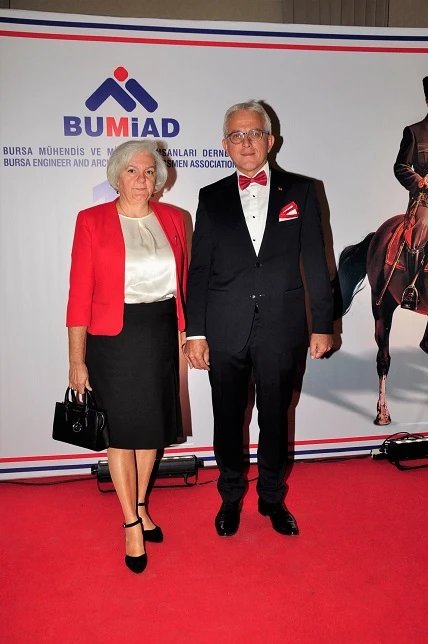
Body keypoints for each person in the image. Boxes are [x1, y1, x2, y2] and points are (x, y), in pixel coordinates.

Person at [184, 100, 333, 538]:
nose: (245, 142)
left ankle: (271, 497)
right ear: (225, 145)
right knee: (228, 418)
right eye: (236, 135)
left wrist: (322, 324)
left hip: (282, 328)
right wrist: (196, 332)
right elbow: (200, 269)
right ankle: (230, 496)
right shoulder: (210, 197)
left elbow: (316, 261)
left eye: (253, 133)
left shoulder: (302, 191)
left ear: (270, 140)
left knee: (275, 417)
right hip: (224, 328)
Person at [66, 140, 188, 573]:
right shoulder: (92, 220)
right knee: (120, 434)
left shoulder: (175, 218)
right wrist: (76, 359)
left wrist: (190, 334)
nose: (141, 179)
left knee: (151, 430)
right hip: (112, 339)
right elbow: (79, 294)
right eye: (132, 171)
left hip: (159, 333)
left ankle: (141, 505)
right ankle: (131, 524)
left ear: (159, 179)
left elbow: (184, 283)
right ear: (116, 176)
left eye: (149, 172)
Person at [394, 76, 428, 311]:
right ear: (427, 101)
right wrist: (420, 181)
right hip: (425, 201)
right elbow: (400, 167)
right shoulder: (415, 132)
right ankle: (412, 287)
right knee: (424, 225)